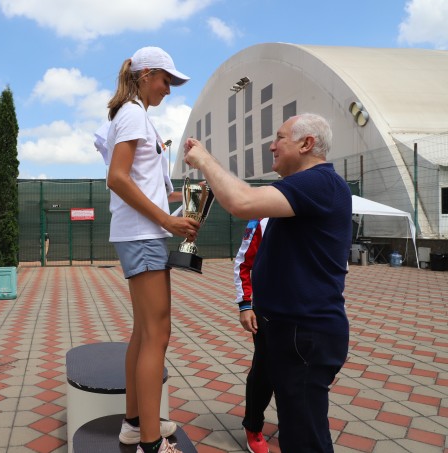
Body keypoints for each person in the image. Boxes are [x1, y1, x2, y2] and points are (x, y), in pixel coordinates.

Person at [185, 113, 351, 452]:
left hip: (304, 332)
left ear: (307, 144)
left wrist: (204, 159)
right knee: (296, 429)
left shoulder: (319, 182)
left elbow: (241, 202)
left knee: (305, 438)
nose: (272, 145)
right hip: (291, 330)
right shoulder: (304, 190)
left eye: (280, 138)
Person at [104, 46, 200, 453]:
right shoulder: (130, 113)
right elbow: (117, 178)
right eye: (166, 80)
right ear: (145, 75)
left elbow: (142, 182)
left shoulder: (137, 115)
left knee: (144, 334)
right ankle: (150, 443)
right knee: (157, 336)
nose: (170, 89)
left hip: (144, 233)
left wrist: (182, 202)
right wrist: (167, 220)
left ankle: (133, 424)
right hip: (143, 235)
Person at [233, 218, 272, 453]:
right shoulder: (262, 218)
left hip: (307, 307)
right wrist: (245, 305)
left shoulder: (315, 208)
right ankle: (253, 426)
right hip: (269, 309)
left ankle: (297, 422)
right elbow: (243, 264)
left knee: (301, 371)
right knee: (265, 369)